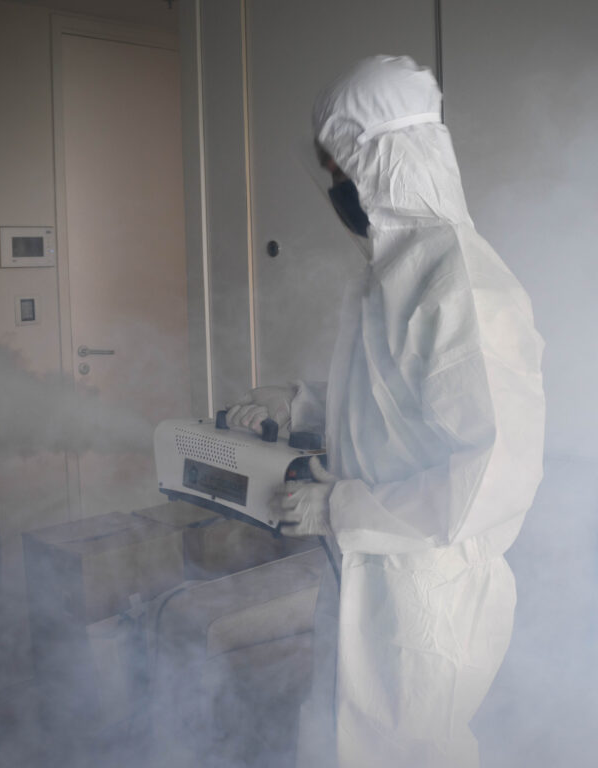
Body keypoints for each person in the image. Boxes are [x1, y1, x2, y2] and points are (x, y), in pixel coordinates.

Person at [226, 54, 545, 768]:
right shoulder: (391, 271)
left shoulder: (462, 284)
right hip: (366, 569)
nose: (336, 187)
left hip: (423, 589)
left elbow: (489, 481)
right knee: (341, 737)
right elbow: (390, 400)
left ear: (385, 160)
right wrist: (299, 402)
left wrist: (339, 508)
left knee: (406, 750)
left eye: (340, 168)